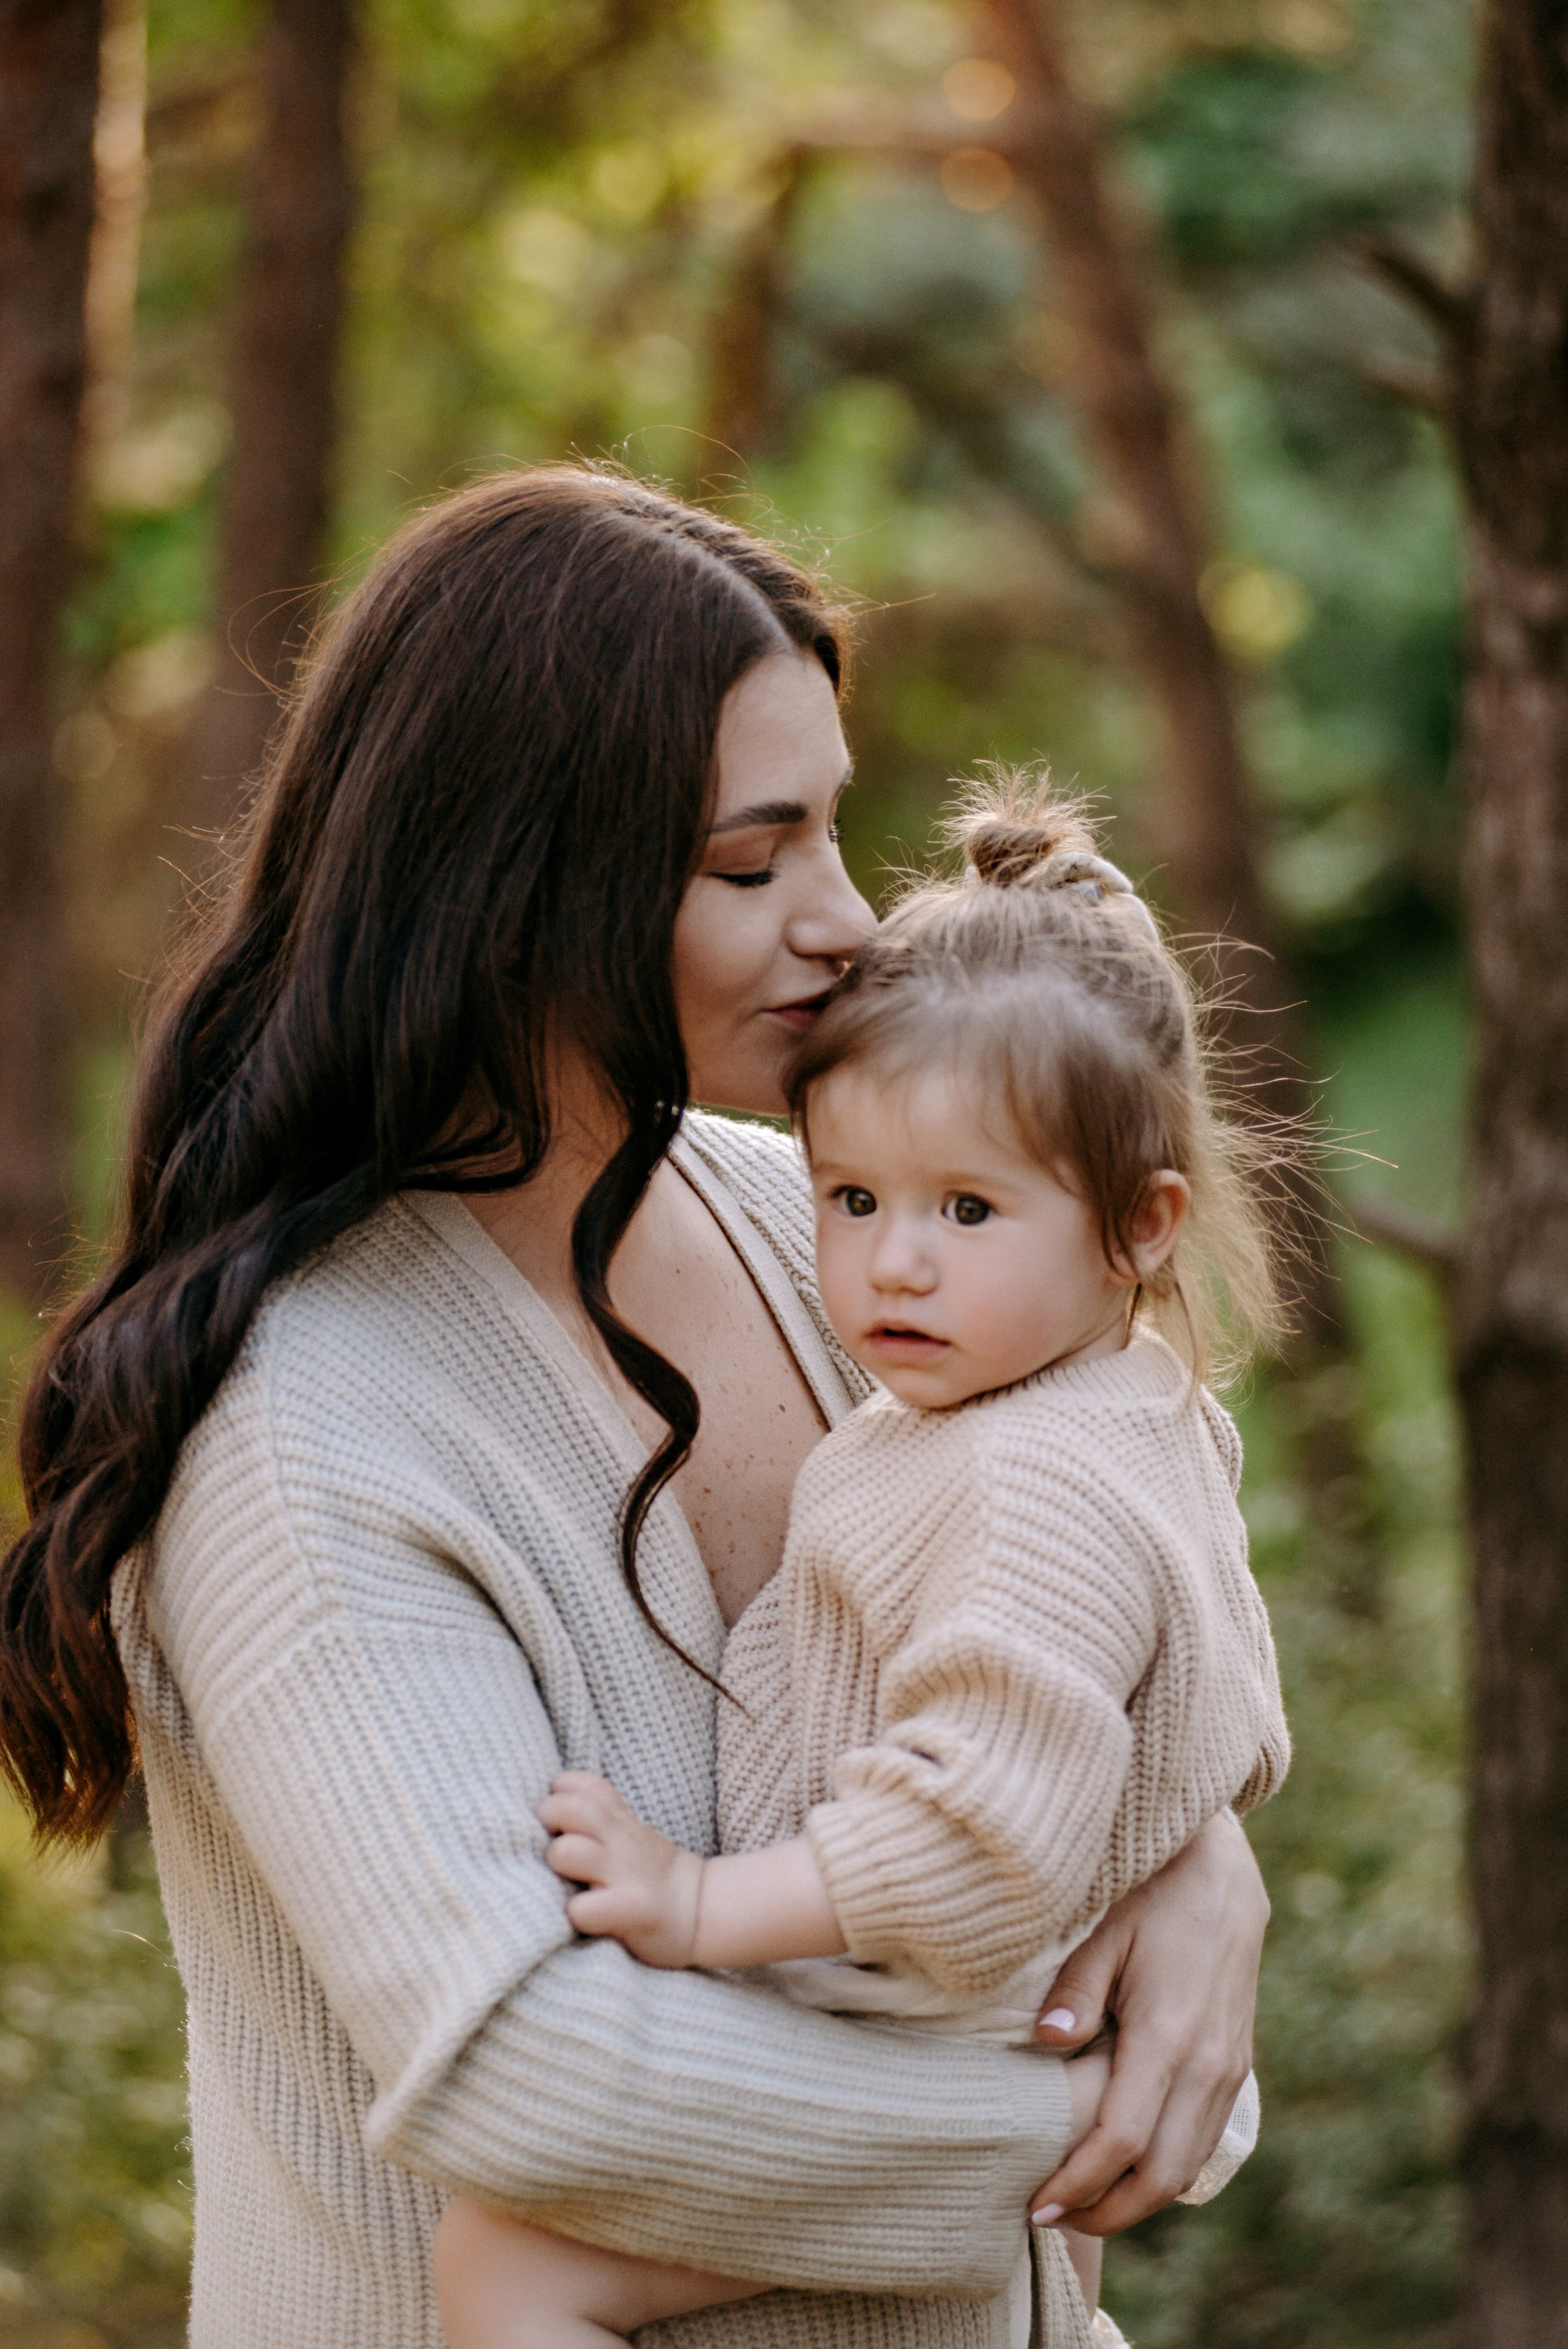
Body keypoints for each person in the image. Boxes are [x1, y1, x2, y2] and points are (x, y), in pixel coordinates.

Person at [0, 469, 1274, 2349]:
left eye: (832, 831)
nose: (847, 921)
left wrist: (1200, 1855)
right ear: (521, 888)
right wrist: (1102, 2117)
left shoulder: (837, 1231)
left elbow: (1113, 1569)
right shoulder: (303, 1431)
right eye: (754, 866)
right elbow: (537, 2078)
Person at [431, 780, 1291, 2349]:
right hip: (1013, 2021)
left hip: (956, 2037)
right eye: (850, 1196)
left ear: (1140, 1224)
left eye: (966, 1207)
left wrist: (697, 1903)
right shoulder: (1127, 1403)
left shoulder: (1032, 1479)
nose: (893, 1260)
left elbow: (969, 1842)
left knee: (510, 2268)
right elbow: (1225, 1707)